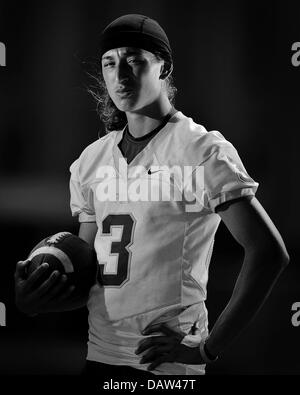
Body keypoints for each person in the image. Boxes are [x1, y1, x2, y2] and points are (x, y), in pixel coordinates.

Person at [15, 14, 289, 378]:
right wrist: (36, 300)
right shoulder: (90, 162)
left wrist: (208, 348)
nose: (120, 74)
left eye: (134, 60)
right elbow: (90, 275)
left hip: (165, 368)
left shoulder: (200, 150)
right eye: (109, 63)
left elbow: (269, 253)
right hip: (100, 359)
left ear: (164, 67)